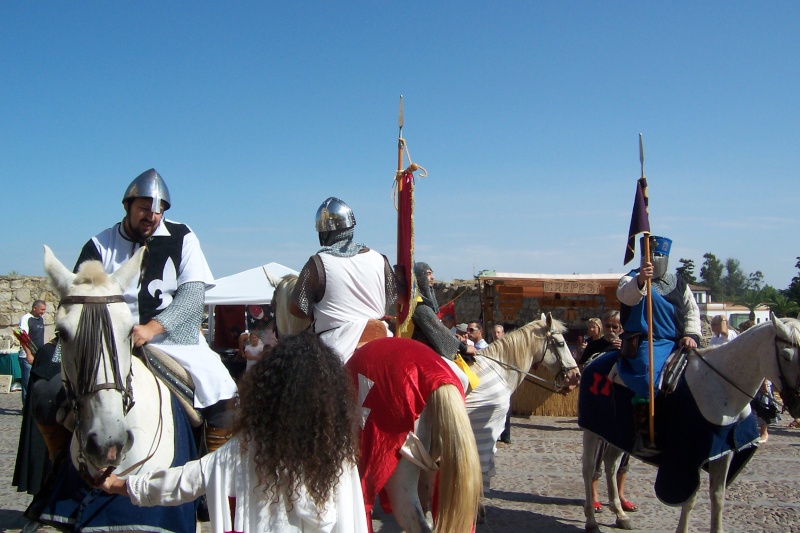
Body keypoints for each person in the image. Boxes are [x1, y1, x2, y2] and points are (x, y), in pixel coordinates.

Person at [96, 331, 368, 533]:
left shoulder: (246, 449)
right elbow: (350, 520)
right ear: (331, 401)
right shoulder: (337, 458)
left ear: (267, 393)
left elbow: (183, 482)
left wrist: (120, 485)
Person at [74, 168, 237, 450]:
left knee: (221, 386)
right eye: (144, 208)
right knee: (48, 392)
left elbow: (192, 294)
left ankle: (213, 473)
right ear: (127, 206)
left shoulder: (182, 236)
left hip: (173, 340)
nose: (151, 216)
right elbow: (79, 300)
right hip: (110, 341)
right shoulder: (100, 245)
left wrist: (153, 328)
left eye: (158, 210)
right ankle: (56, 470)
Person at [290, 197, 397, 362]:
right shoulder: (379, 258)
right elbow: (393, 297)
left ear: (324, 232)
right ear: (350, 227)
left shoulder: (318, 263)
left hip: (337, 345)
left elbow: (296, 308)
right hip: (382, 335)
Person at [616, 235, 701, 403]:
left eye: (659, 256)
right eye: (650, 256)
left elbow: (691, 311)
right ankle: (643, 420)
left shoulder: (679, 283)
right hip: (648, 342)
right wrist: (640, 280)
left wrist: (691, 335)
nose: (654, 260)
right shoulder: (630, 278)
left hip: (679, 342)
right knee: (647, 380)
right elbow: (626, 297)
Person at [580, 310, 637, 513]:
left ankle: (619, 495)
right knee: (595, 455)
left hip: (620, 405)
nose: (611, 330)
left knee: (623, 456)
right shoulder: (596, 345)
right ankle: (593, 495)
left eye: (616, 327)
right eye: (608, 326)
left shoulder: (629, 345)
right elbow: (584, 366)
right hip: (600, 403)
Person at [17, 300, 47, 405]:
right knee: (27, 383)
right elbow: (22, 337)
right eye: (41, 310)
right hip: (27, 356)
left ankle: (35, 406)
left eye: (44, 310)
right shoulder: (26, 319)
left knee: (38, 382)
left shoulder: (41, 319)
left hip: (39, 355)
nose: (43, 312)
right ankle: (26, 408)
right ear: (34, 308)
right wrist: (28, 354)